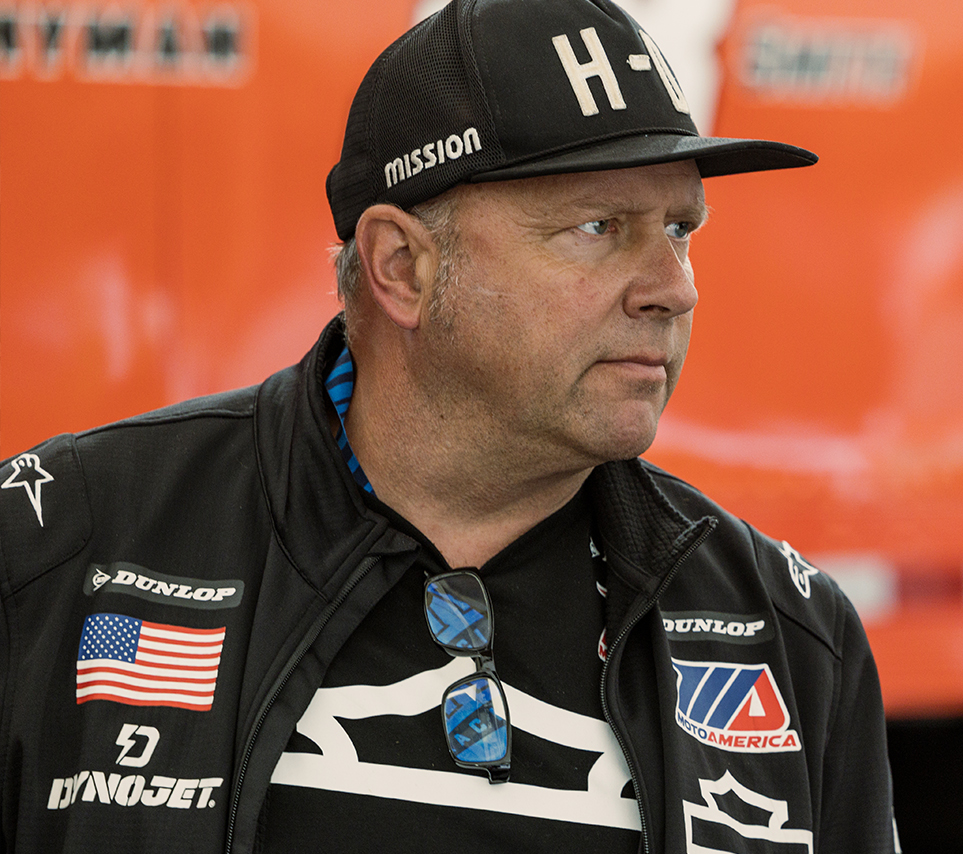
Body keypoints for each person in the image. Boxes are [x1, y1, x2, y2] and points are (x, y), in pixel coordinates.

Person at [0, 1, 895, 852]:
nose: (675, 287)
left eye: (680, 229)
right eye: (598, 226)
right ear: (402, 267)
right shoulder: (63, 551)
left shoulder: (787, 633)